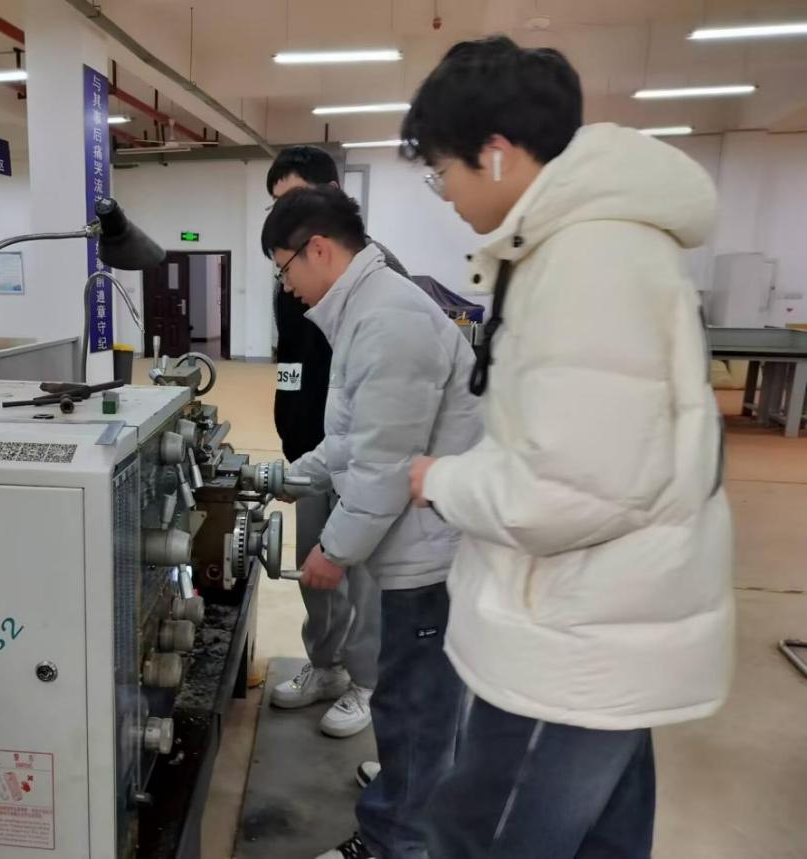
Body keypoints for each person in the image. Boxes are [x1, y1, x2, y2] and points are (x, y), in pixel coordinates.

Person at [403, 36, 733, 857]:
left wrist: (441, 479)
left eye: (442, 172)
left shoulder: (587, 260)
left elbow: (572, 490)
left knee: (480, 836)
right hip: (608, 627)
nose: (445, 194)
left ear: (496, 153)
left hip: (572, 641)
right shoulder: (587, 244)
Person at [262, 186, 481, 859]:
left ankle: (395, 840)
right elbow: (355, 438)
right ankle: (411, 788)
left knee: (414, 702)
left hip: (433, 553)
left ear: (318, 249)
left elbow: (386, 463)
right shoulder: (368, 311)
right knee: (414, 698)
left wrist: (333, 549)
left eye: (284, 267)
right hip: (420, 542)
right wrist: (286, 474)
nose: (286, 285)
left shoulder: (389, 321)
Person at [267, 145, 411, 739]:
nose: (282, 218)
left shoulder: (379, 283)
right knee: (316, 571)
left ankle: (367, 681)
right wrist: (288, 431)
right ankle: (324, 666)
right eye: (275, 206)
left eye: (293, 202)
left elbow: (383, 423)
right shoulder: (292, 277)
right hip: (313, 450)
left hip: (362, 454)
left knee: (363, 578)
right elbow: (290, 358)